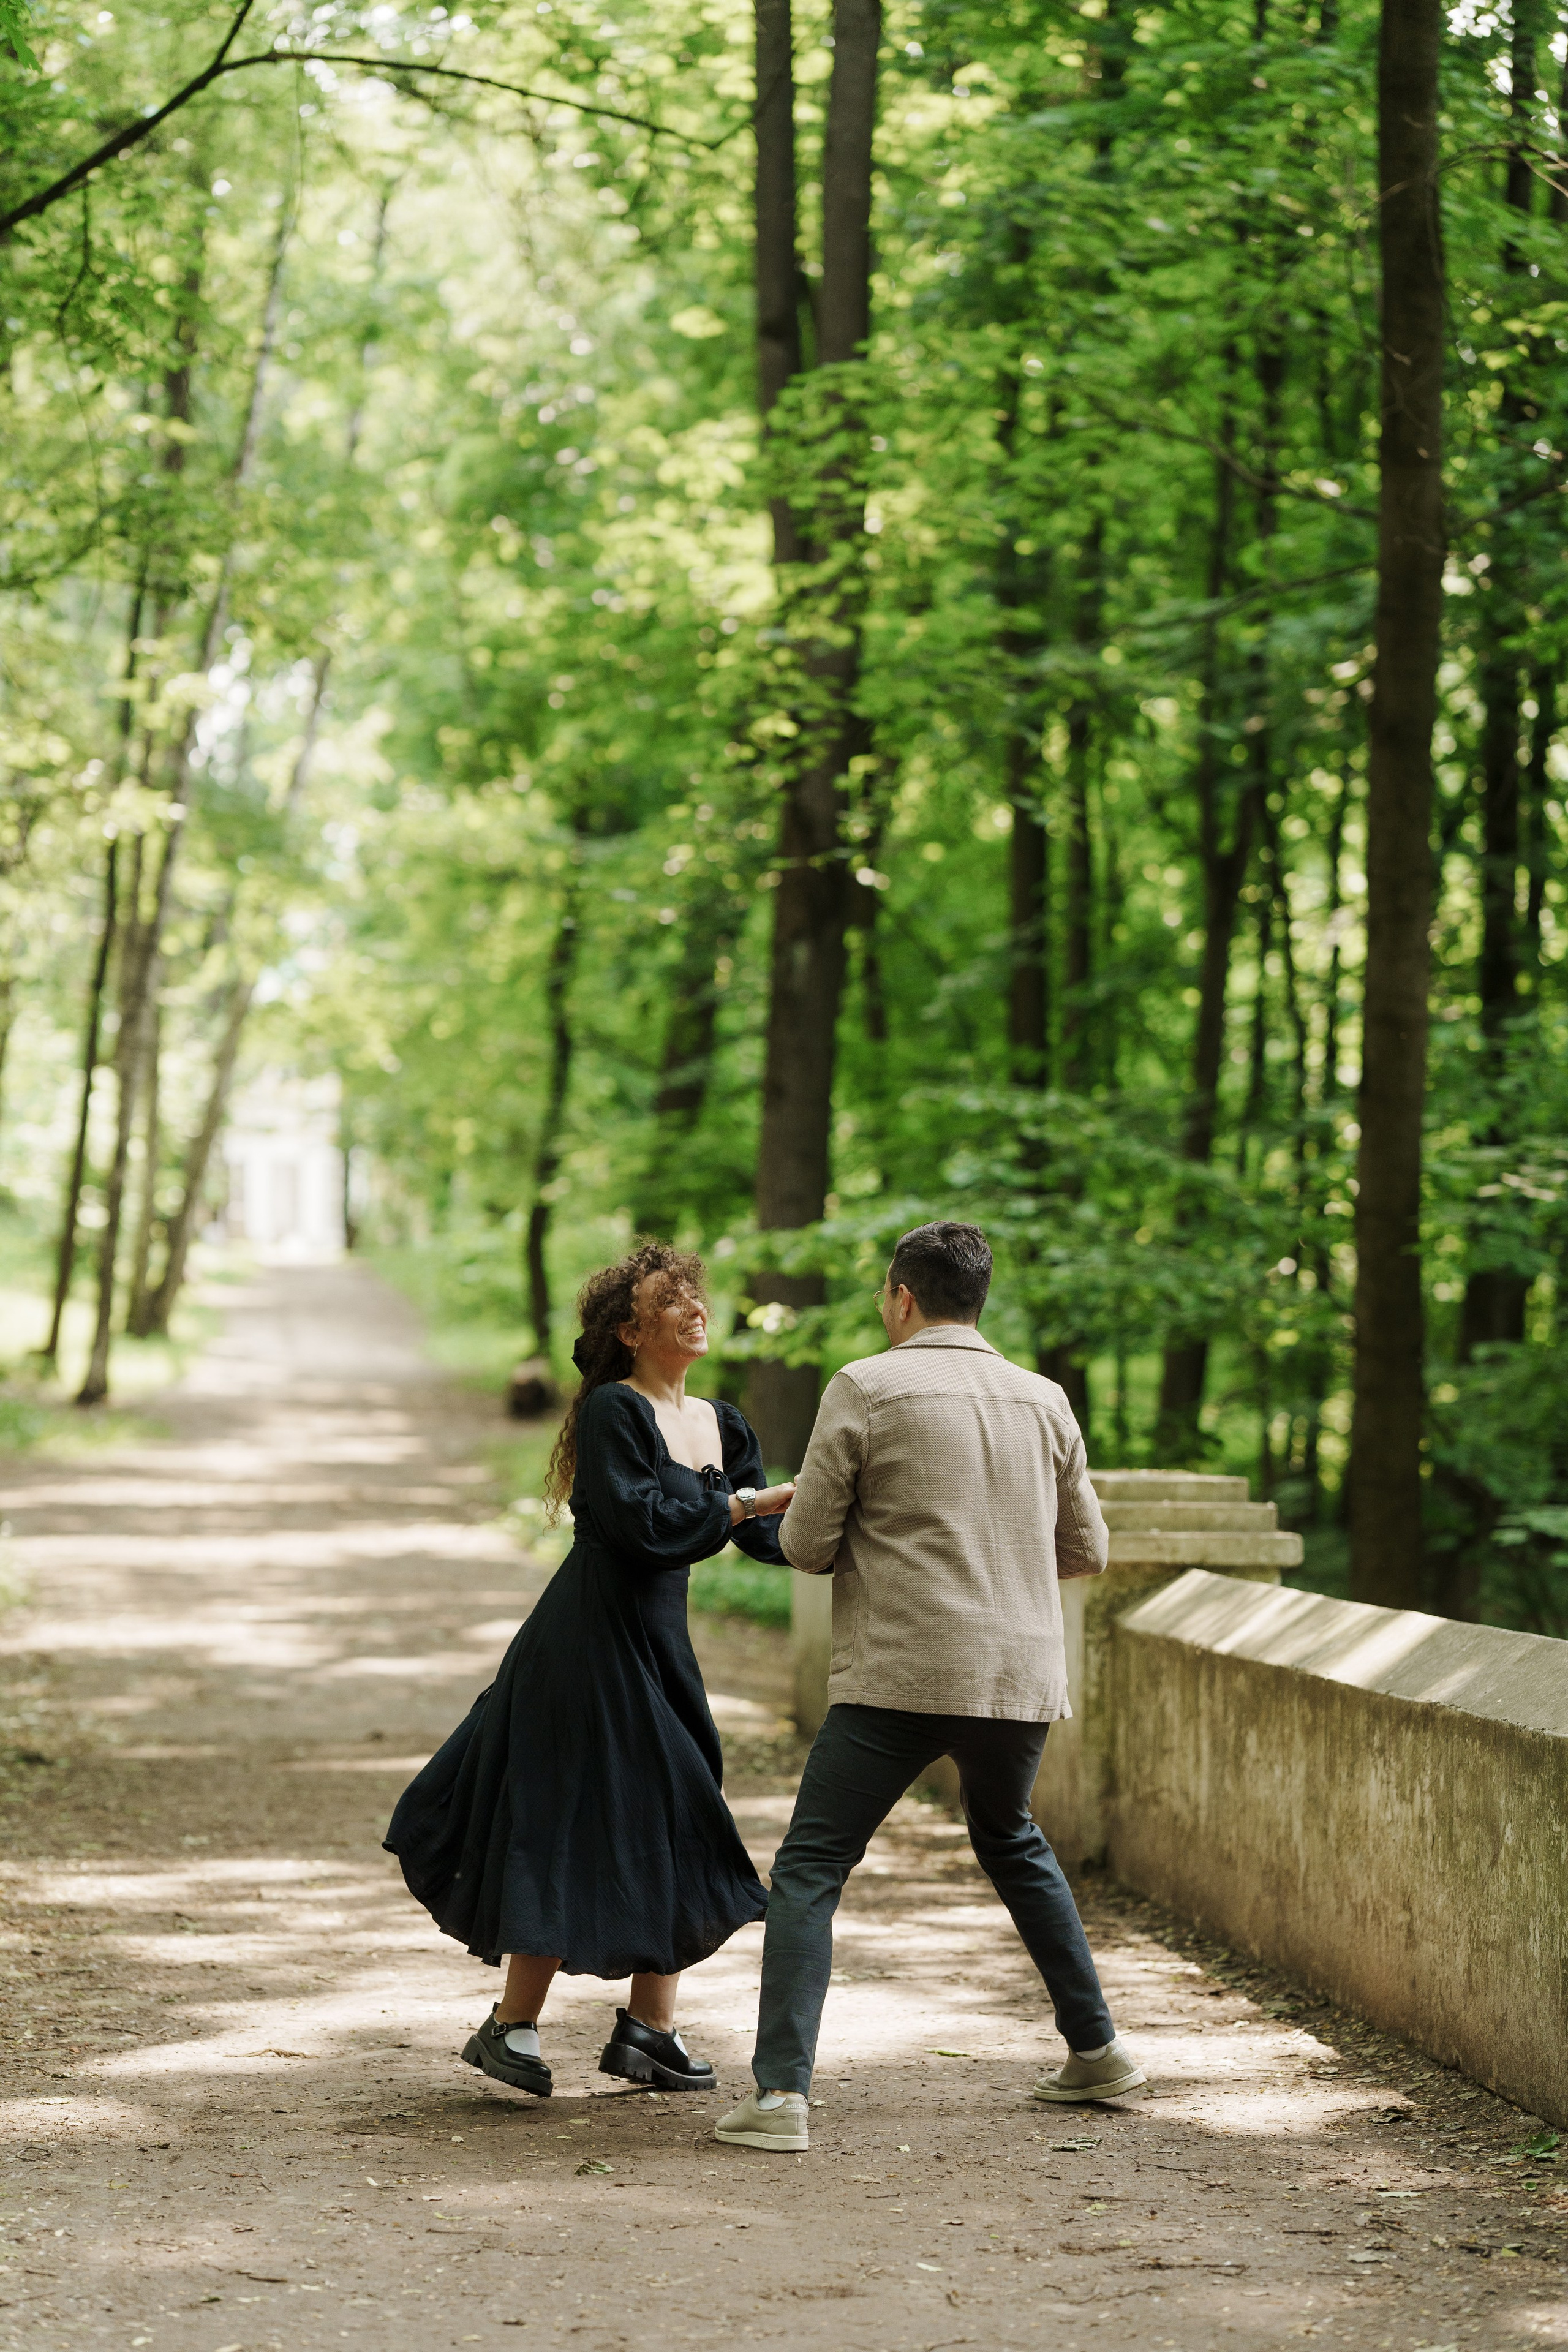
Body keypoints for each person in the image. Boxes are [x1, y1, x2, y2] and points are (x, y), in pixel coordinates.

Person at [715, 1219, 1143, 2154]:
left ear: (903, 1298)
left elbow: (808, 1545)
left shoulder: (867, 1385)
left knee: (811, 1870)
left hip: (900, 1674)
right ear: (977, 1299)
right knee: (1011, 1839)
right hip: (1017, 1675)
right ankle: (1098, 2050)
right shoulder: (1044, 1399)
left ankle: (782, 2098)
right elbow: (1090, 1552)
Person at [385, 1242, 794, 2100]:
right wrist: (747, 1502)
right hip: (584, 1644)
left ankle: (650, 2030)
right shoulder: (617, 1411)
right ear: (628, 1330)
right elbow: (649, 1527)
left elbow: (765, 1537)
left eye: (695, 1295)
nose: (694, 1308)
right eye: (669, 1299)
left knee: (679, 1811)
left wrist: (849, 1515)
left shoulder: (722, 1422)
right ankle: (509, 2026)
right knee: (561, 1814)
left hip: (659, 1647)